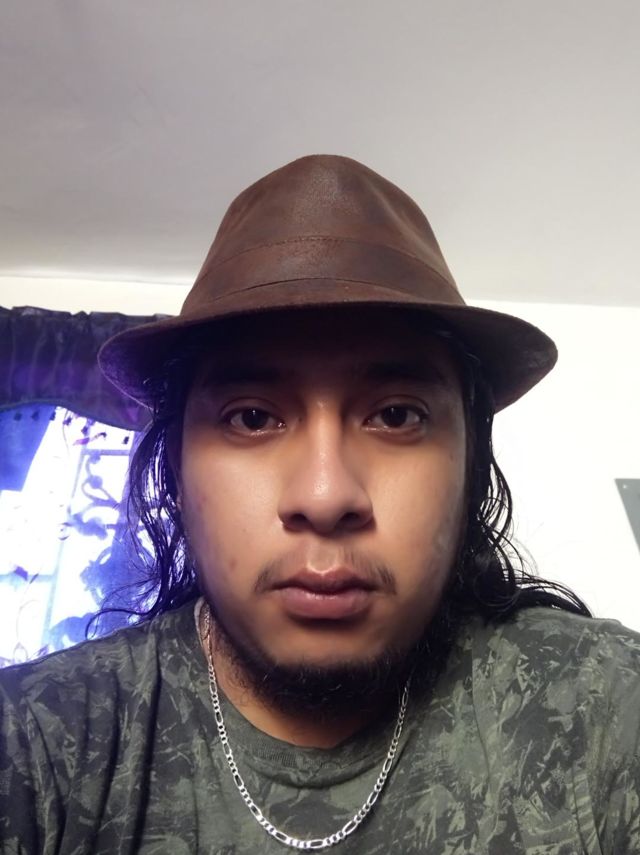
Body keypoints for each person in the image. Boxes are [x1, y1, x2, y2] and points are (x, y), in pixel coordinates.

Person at [1, 155, 639, 854]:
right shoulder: (37, 740)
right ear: (176, 469)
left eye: (396, 414)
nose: (326, 496)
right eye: (251, 417)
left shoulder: (604, 707)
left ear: (470, 468)